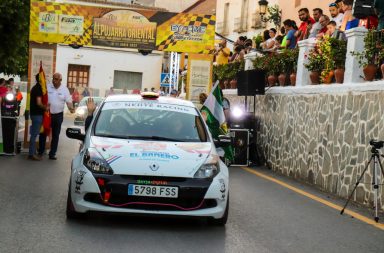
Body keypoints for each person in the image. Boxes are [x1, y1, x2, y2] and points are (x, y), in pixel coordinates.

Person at [38, 72, 75, 160]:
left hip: (58, 115)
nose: (54, 81)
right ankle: (41, 152)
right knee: (43, 133)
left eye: (56, 79)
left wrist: (71, 108)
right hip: (48, 114)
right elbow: (43, 97)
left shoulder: (64, 89)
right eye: (53, 79)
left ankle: (52, 154)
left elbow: (68, 101)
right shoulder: (48, 86)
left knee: (56, 135)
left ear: (60, 80)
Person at [28, 74, 49, 161]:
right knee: (34, 134)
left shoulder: (35, 87)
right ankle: (31, 154)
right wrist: (46, 107)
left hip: (34, 113)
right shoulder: (38, 89)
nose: (45, 80)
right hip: (37, 114)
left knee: (34, 133)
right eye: (44, 78)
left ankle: (32, 152)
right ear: (41, 80)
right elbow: (39, 103)